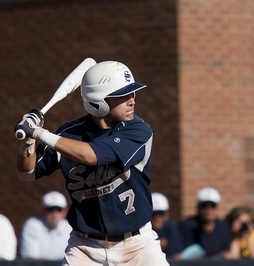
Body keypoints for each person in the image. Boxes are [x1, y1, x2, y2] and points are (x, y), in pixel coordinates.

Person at [15, 60, 169, 265]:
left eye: (132, 93)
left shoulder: (138, 130)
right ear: (99, 101)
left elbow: (93, 156)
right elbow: (27, 172)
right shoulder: (68, 135)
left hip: (138, 245)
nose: (132, 100)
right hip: (85, 248)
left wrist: (40, 133)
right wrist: (28, 141)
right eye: (123, 95)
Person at [179, 187, 231, 259]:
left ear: (218, 208)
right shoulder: (187, 226)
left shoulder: (223, 227)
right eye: (204, 206)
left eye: (212, 206)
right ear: (198, 208)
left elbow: (226, 254)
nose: (208, 210)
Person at [19, 191, 72, 260]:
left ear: (65, 211)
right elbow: (31, 259)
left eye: (59, 209)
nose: (55, 214)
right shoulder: (32, 226)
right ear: (43, 210)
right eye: (50, 209)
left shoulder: (70, 228)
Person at [151, 192, 184, 259]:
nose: (157, 218)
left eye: (160, 214)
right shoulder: (142, 231)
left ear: (166, 215)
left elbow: (176, 255)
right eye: (153, 214)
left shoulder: (172, 228)